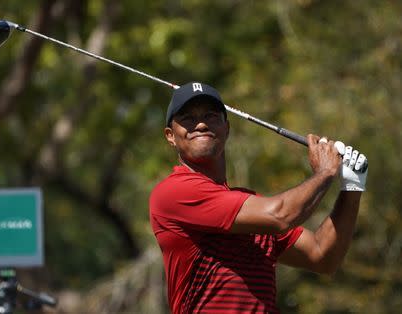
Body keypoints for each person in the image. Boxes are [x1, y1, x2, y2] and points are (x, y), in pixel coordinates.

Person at [149, 82, 368, 314]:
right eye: (188, 118)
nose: (201, 124)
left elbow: (322, 256)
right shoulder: (173, 192)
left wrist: (352, 187)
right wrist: (325, 172)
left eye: (210, 115)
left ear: (227, 127)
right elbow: (281, 215)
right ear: (170, 136)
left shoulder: (250, 206)